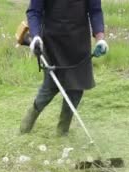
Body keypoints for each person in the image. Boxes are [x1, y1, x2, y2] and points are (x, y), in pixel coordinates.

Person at [21, 0, 108, 136]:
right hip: (52, 41)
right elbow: (34, 11)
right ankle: (26, 124)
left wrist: (100, 39)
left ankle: (62, 131)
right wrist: (36, 36)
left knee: (77, 88)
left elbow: (95, 10)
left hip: (79, 42)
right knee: (50, 87)